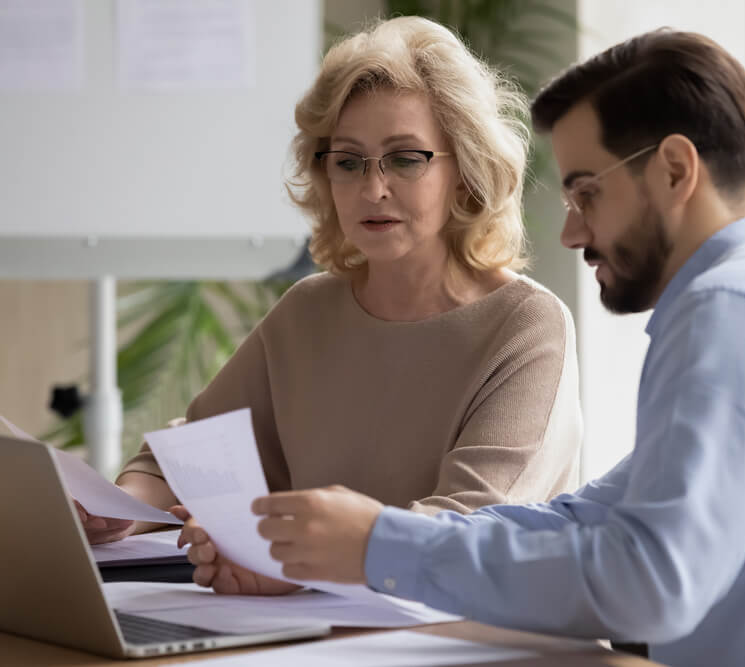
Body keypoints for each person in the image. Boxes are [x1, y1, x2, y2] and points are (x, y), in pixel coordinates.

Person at [196, 27, 745, 664]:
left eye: (585, 191)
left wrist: (377, 543)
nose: (571, 228)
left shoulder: (736, 310)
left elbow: (652, 582)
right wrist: (360, 542)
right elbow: (594, 514)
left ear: (675, 170)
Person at [80, 15, 583, 591]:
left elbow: (465, 531)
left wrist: (290, 561)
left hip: (472, 641)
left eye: (404, 158)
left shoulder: (526, 325)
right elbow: (182, 455)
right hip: (315, 637)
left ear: (465, 174)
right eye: (348, 161)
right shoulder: (308, 311)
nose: (373, 188)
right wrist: (121, 508)